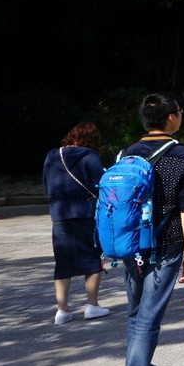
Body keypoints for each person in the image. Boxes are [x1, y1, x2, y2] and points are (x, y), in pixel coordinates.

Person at [114, 92, 184, 366]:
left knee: (137, 315)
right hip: (167, 244)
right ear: (170, 118)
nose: (180, 115)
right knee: (147, 319)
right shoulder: (182, 154)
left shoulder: (125, 153)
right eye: (178, 111)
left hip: (131, 246)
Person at [42, 122, 112, 325]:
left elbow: (46, 185)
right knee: (92, 257)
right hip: (86, 212)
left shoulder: (51, 156)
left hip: (60, 214)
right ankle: (92, 305)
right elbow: (101, 183)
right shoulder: (89, 156)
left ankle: (62, 310)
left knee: (63, 261)